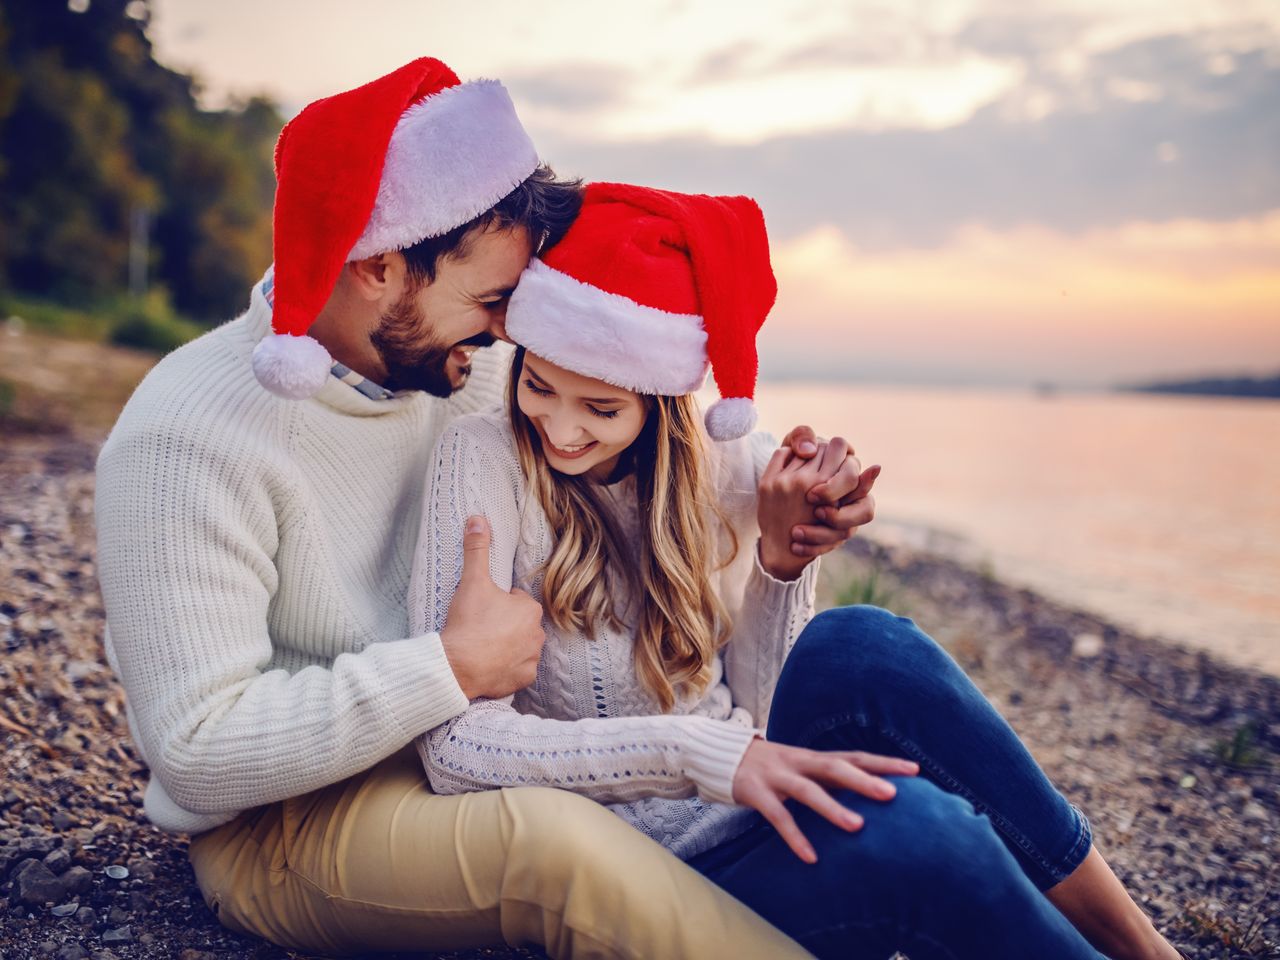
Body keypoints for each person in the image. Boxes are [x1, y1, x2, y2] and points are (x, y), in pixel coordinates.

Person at [94, 59, 872, 958]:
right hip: (291, 820)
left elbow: (656, 432)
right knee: (560, 848)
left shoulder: (475, 369)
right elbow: (195, 746)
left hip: (480, 751)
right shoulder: (188, 433)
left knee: (844, 774)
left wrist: (794, 491)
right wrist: (448, 668)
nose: (512, 332)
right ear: (381, 267)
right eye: (494, 301)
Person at [410, 183, 1183, 960]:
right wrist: (696, 753)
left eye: (602, 409)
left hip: (753, 807)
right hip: (641, 875)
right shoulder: (481, 460)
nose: (562, 428)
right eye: (538, 385)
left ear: (662, 401)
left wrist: (785, 563)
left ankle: (1145, 949)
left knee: (862, 641)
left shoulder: (723, 462)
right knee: (924, 833)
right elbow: (451, 751)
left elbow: (766, 710)